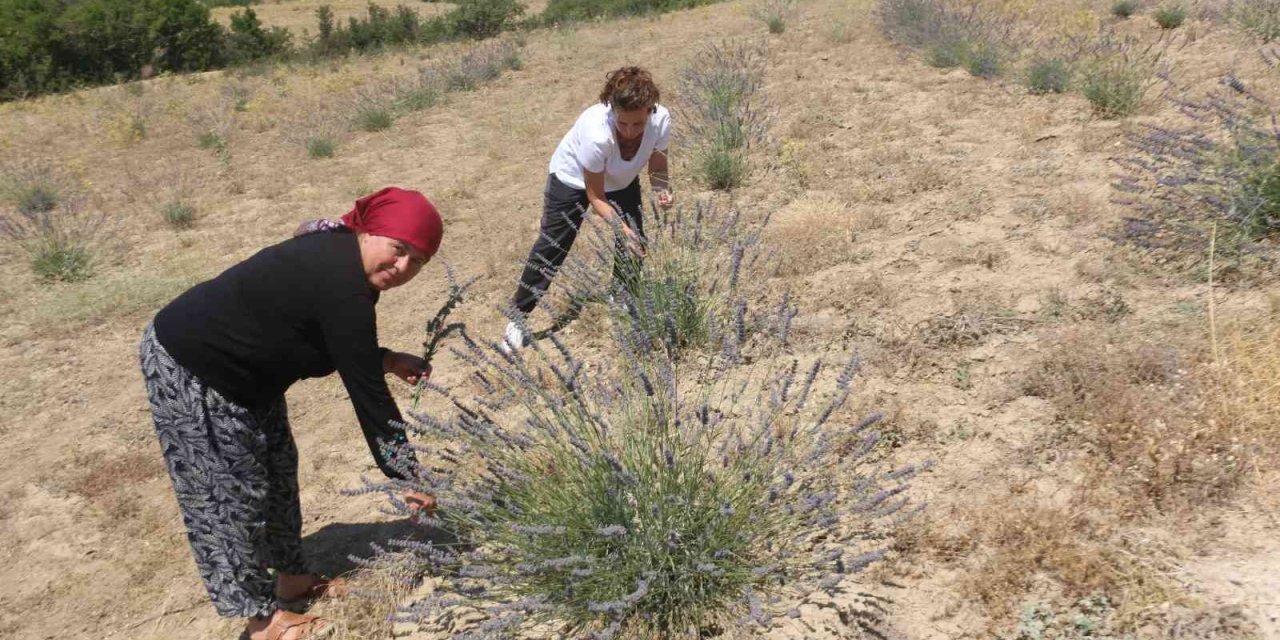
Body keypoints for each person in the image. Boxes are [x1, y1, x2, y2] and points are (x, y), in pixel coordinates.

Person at [139, 187, 441, 640]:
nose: (402, 268)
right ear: (369, 231)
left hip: (249, 376)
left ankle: (293, 580)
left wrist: (388, 358)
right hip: (193, 365)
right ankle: (262, 621)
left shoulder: (347, 267)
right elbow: (369, 396)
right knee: (225, 494)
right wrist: (406, 474)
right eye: (398, 249)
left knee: (278, 471)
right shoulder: (341, 282)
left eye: (416, 261)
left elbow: (334, 342)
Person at [503, 66, 674, 352]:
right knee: (553, 245)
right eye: (623, 123)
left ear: (650, 111)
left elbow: (657, 166)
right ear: (611, 109)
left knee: (636, 242)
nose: (631, 132)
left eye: (638, 124)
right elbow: (595, 197)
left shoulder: (661, 121)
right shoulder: (597, 134)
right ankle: (518, 318)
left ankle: (621, 298)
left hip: (622, 178)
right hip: (572, 178)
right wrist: (621, 229)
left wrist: (662, 190)